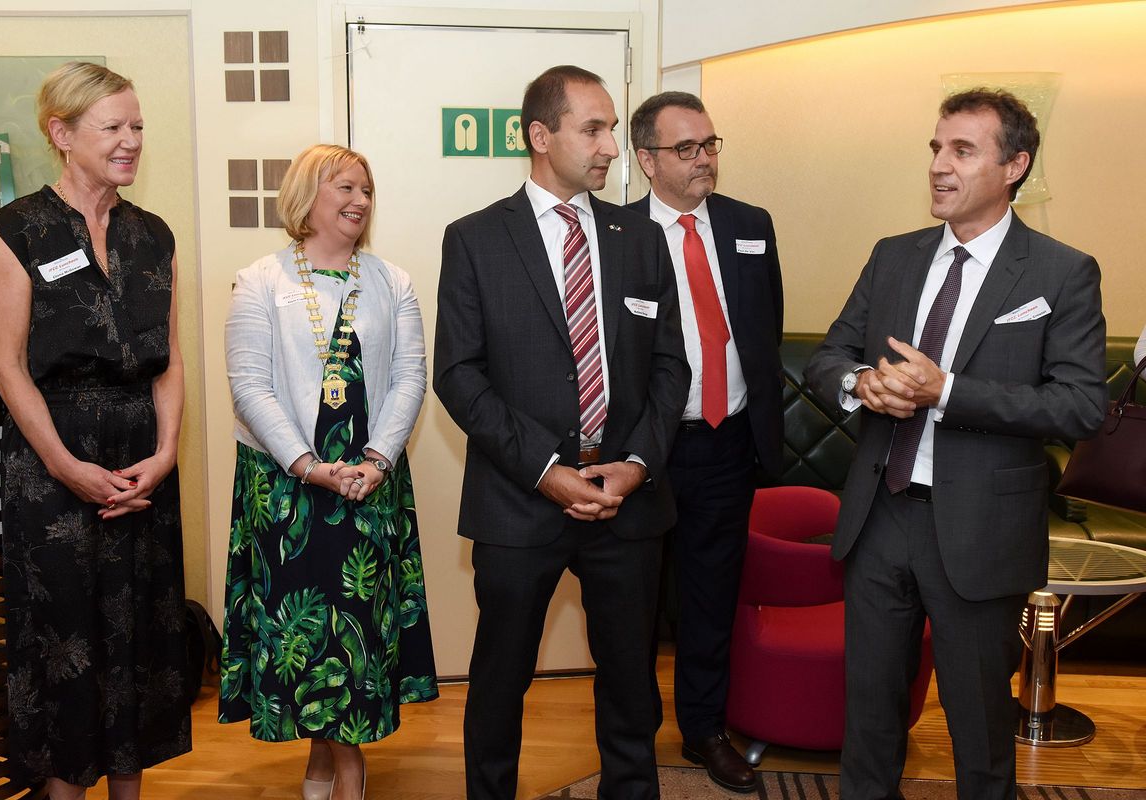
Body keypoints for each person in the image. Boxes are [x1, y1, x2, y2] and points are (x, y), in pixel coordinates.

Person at [805, 89, 1106, 800]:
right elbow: (829, 356)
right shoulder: (894, 256)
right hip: (880, 516)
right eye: (937, 148)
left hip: (981, 530)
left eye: (963, 151)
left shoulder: (1060, 272)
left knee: (979, 730)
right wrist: (859, 383)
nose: (940, 165)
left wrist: (948, 391)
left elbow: (1080, 405)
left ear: (1015, 166)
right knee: (869, 717)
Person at [433, 65, 689, 800]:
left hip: (626, 502)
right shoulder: (477, 239)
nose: (611, 146)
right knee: (500, 679)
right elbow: (459, 374)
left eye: (612, 129)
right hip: (520, 502)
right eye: (594, 129)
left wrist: (637, 463)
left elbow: (670, 365)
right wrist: (546, 470)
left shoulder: (640, 238)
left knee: (631, 681)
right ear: (540, 136)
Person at [0, 61, 190, 799]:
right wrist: (67, 467)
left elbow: (169, 361)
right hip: (54, 471)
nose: (131, 140)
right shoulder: (18, 231)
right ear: (61, 134)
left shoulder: (153, 235)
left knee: (137, 645)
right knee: (64, 645)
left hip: (142, 469)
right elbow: (7, 367)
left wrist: (167, 454)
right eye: (113, 127)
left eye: (138, 126)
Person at [219, 143, 437, 800]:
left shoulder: (393, 282)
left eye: (366, 190)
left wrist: (377, 460)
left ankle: (340, 763)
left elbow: (410, 377)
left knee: (356, 628)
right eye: (344, 187)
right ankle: (333, 761)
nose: (359, 201)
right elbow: (249, 388)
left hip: (368, 485)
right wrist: (310, 466)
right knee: (308, 632)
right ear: (305, 196)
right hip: (287, 491)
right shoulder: (259, 281)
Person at [625, 91, 784, 793]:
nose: (704, 160)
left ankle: (703, 730)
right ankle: (631, 735)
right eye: (686, 149)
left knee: (711, 596)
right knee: (633, 601)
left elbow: (764, 325)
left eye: (710, 144)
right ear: (647, 159)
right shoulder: (617, 233)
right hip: (645, 450)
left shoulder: (751, 225)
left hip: (727, 440)